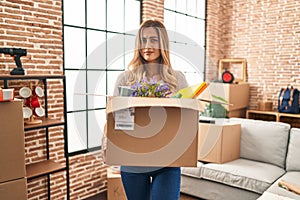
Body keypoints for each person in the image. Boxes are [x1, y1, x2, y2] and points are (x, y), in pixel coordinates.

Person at [111, 19, 188, 200]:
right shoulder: (125, 79)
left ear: (163, 44)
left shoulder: (177, 79)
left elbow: (188, 119)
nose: (147, 45)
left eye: (153, 40)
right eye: (143, 40)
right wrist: (108, 141)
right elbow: (114, 117)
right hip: (132, 161)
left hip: (168, 161)